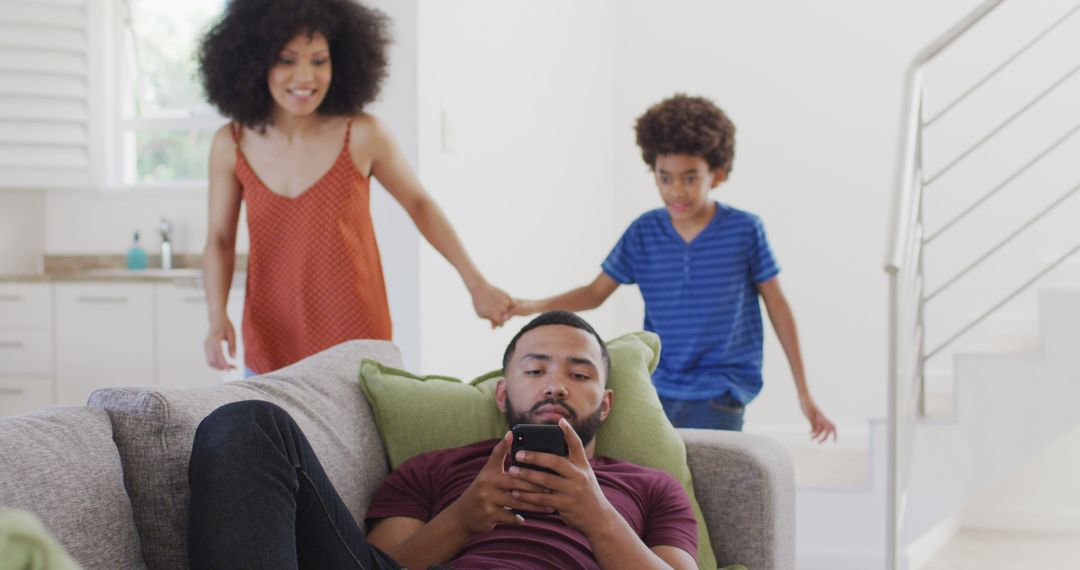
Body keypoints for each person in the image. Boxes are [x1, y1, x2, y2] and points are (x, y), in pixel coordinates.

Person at [187, 311, 698, 569]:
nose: (555, 385)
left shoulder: (651, 486)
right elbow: (379, 567)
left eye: (580, 375)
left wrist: (596, 514)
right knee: (247, 424)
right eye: (535, 368)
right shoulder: (434, 468)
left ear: (606, 404)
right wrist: (463, 517)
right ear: (502, 393)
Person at [197, 0, 511, 376]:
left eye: (319, 60)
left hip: (357, 336)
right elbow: (219, 239)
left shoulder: (362, 134)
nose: (305, 77)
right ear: (253, 61)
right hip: (272, 337)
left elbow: (419, 205)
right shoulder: (231, 143)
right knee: (274, 436)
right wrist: (217, 318)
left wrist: (476, 284)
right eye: (286, 59)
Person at [509, 94, 836, 441]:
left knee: (709, 483)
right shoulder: (643, 232)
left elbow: (778, 307)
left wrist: (804, 393)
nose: (676, 190)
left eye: (690, 178)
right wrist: (529, 305)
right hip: (658, 388)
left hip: (720, 390)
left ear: (718, 174)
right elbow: (595, 292)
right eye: (665, 178)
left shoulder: (744, 231)